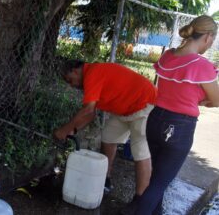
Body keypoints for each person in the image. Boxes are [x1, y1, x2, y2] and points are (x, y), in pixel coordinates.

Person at [133, 15, 218, 215]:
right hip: (179, 127)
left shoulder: (168, 56)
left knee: (156, 179)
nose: (211, 44)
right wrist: (203, 101)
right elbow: (217, 100)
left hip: (154, 120)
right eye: (213, 40)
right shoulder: (202, 65)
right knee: (159, 183)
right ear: (207, 37)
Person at [53, 60, 157, 207]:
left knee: (140, 150)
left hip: (144, 105)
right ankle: (105, 180)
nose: (72, 85)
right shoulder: (92, 76)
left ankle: (141, 201)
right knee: (108, 137)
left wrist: (63, 131)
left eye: (70, 80)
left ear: (76, 71)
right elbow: (90, 115)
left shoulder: (93, 73)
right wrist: (72, 131)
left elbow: (88, 110)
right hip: (125, 111)